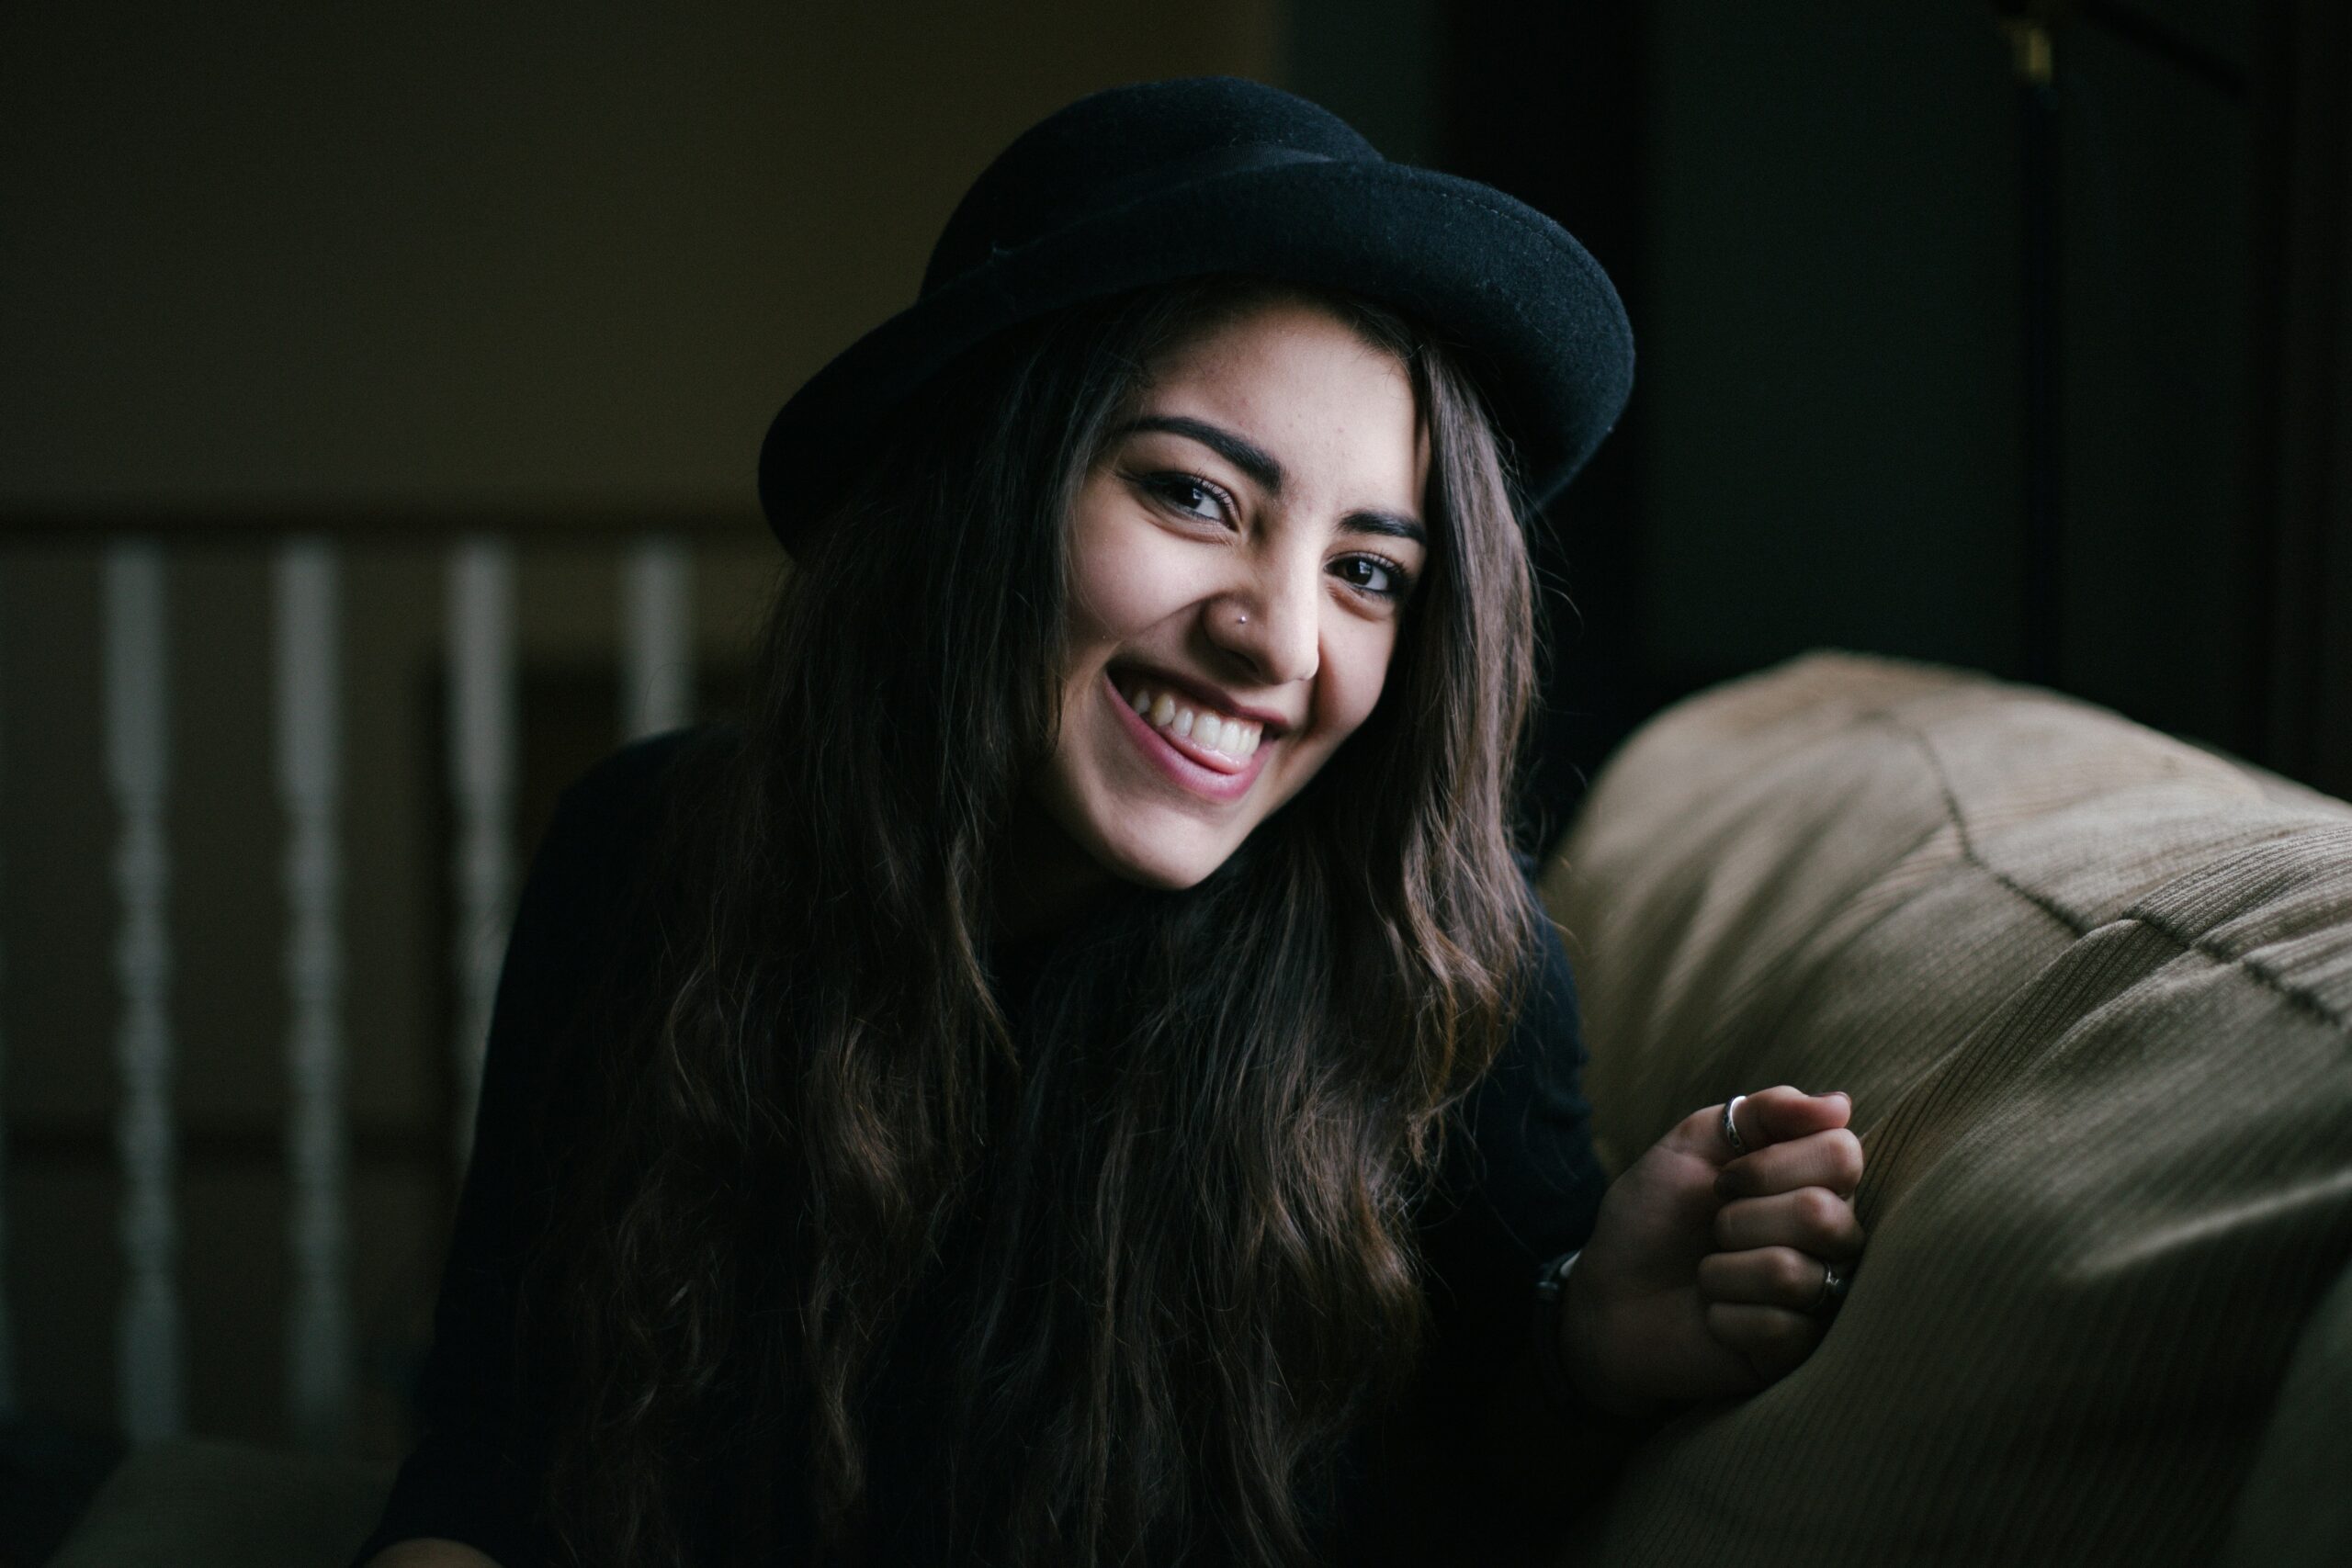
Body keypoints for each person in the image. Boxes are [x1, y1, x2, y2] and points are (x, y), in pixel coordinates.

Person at [356, 77, 1866, 1568]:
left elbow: (1471, 1487)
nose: (1278, 642)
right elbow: (498, 1456)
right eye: (1198, 498)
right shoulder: (648, 863)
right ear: (982, 484)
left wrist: (1585, 1348)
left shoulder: (1443, 979)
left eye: (1369, 571)